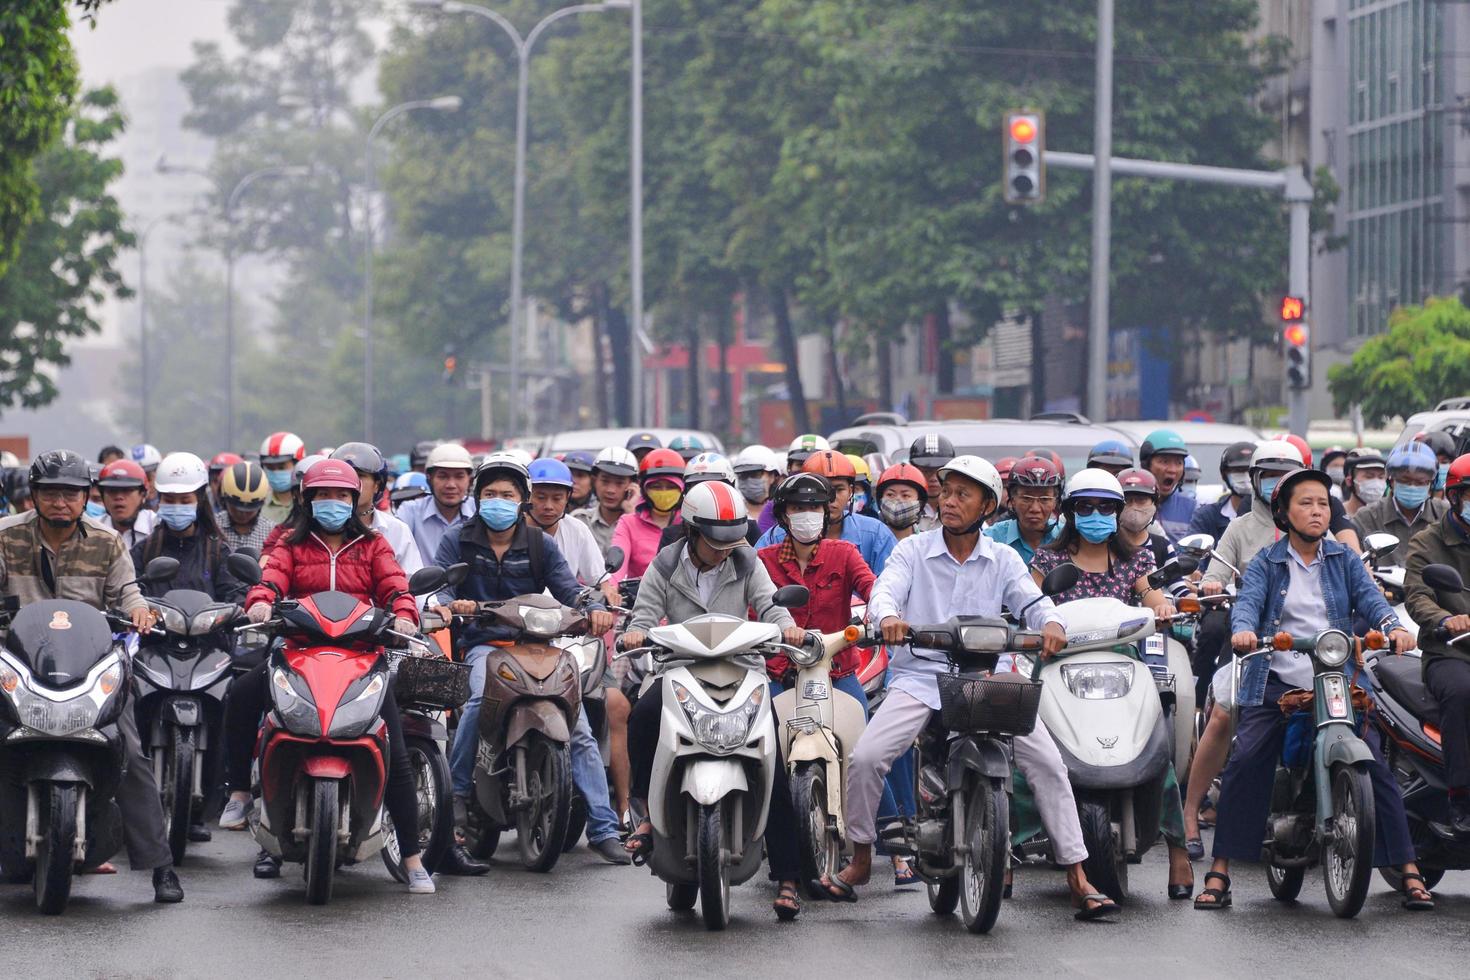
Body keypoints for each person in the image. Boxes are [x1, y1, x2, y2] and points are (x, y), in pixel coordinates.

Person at [818, 455, 1118, 918]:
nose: (950, 502)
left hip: (985, 677)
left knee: (1047, 763)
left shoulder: (1002, 559)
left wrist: (1052, 624)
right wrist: (890, 618)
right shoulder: (912, 551)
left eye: (963, 495)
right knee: (868, 756)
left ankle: (1078, 875)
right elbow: (885, 591)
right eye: (947, 492)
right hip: (920, 677)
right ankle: (860, 858)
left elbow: (1034, 601)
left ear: (987, 506)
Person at [1196, 466, 1432, 912]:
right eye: (1305, 503)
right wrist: (1245, 631)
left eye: (1323, 503)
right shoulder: (1268, 560)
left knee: (1377, 763)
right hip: (1277, 677)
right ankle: (1220, 869)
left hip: (1334, 679)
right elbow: (1246, 604)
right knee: (1247, 758)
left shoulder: (1344, 560)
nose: (1317, 511)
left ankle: (1408, 869)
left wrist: (1393, 627)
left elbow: (1373, 601)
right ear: (1283, 512)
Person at [216, 459, 436, 893]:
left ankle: (411, 859)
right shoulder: (290, 544)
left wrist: (408, 615)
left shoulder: (373, 546)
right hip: (296, 652)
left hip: (362, 659)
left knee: (393, 745)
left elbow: (397, 588)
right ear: (306, 499)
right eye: (322, 495)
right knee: (240, 696)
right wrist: (260, 600)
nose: (331, 503)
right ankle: (240, 793)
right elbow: (269, 579)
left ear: (355, 501)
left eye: (340, 496)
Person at [618, 480, 809, 920]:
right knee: (642, 718)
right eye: (715, 541)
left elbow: (772, 607)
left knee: (773, 762)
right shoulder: (665, 565)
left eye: (731, 540)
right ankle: (646, 813)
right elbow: (643, 615)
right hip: (678, 669)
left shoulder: (746, 560)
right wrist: (636, 630)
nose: (724, 550)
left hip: (742, 669)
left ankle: (787, 878)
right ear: (691, 530)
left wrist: (788, 627)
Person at [0, 450, 184, 902]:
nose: (60, 502)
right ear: (34, 496)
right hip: (18, 666)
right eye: (50, 493)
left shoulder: (107, 541)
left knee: (132, 753)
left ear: (87, 497)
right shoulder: (4, 537)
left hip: (91, 669)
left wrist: (140, 612)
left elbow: (128, 593)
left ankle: (160, 866)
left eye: (71, 493)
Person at [428, 456, 616, 872]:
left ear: (522, 501)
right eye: (490, 495)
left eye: (507, 496)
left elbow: (571, 588)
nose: (499, 501)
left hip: (538, 646)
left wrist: (595, 606)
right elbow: (438, 590)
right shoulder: (458, 540)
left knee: (580, 726)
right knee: (476, 703)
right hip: (484, 647)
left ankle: (604, 829)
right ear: (478, 499)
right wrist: (447, 606)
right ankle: (457, 795)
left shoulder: (539, 545)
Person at [1030, 470, 1191, 898]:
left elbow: (1152, 596)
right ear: (1069, 512)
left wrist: (1163, 607)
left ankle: (1178, 854)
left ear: (1118, 513)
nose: (1096, 515)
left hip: (1122, 663)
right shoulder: (1047, 561)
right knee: (1026, 744)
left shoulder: (1134, 561)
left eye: (1105, 507)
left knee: (1157, 749)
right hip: (1059, 662)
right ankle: (1005, 856)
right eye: (1085, 507)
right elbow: (1028, 603)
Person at [756, 472, 918, 885]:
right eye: (797, 508)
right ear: (782, 515)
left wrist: (887, 615)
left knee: (867, 749)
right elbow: (750, 606)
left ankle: (895, 846)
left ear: (829, 512)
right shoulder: (764, 560)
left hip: (838, 671)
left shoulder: (845, 554)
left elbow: (874, 586)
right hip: (780, 672)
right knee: (762, 750)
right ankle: (762, 840)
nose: (807, 515)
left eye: (815, 507)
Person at [1404, 453, 1470, 835]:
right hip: (1451, 650)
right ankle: (1461, 797)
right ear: (1454, 496)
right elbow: (1417, 594)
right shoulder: (1427, 542)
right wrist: (1445, 619)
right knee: (1462, 692)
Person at [755, 450, 897, 575]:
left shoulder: (877, 534)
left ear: (850, 492)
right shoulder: (774, 538)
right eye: (821, 491)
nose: (830, 499)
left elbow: (890, 588)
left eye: (838, 489)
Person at [132, 452, 246, 604]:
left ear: (199, 500)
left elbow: (234, 596)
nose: (177, 507)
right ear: (159, 500)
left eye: (185, 501)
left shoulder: (217, 552)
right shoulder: (143, 551)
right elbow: (131, 595)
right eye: (169, 500)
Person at [332, 443, 424, 581]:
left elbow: (412, 583)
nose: (351, 482)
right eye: (344, 475)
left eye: (360, 476)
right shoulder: (315, 529)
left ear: (377, 485)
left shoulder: (396, 530)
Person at [1350, 442, 1447, 564]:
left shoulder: (1445, 514)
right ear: (1391, 480)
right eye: (1404, 480)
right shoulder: (1366, 517)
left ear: (1431, 484)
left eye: (1420, 482)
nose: (1412, 486)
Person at [609, 448, 685, 584]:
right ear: (643, 488)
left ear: (682, 488)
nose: (663, 492)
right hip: (638, 601)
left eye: (671, 487)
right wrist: (612, 589)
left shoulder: (689, 524)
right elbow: (618, 566)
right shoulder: (628, 522)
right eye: (656, 486)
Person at [655, 453, 760, 549]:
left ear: (730, 488)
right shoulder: (672, 535)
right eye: (698, 487)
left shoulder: (748, 530)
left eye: (714, 486)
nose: (707, 494)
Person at [396, 443, 475, 565]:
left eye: (459, 477)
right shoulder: (410, 511)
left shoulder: (478, 511)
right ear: (429, 479)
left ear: (470, 481)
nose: (451, 485)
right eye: (442, 476)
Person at [985, 456, 1064, 565]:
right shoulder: (991, 539)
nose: (1035, 509)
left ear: (1056, 502)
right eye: (1026, 498)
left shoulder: (1066, 538)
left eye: (1044, 499)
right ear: (1012, 500)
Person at [1186, 440, 1256, 549]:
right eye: (1238, 470)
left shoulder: (1274, 517)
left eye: (1251, 472)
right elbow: (1191, 554)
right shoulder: (1207, 517)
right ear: (1224, 475)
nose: (1246, 477)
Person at [573, 446, 638, 555]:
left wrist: (631, 513)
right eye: (605, 481)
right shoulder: (579, 521)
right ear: (594, 481)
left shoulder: (641, 526)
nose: (611, 490)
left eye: (619, 483)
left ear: (633, 486)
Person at [1138, 429, 1196, 543]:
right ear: (1146, 465)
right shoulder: (1129, 506)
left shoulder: (1192, 509)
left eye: (1179, 463)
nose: (1172, 470)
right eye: (1164, 461)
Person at [1116, 467, 1175, 568]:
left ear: (1154, 504)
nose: (1134, 507)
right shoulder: (1105, 546)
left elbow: (1175, 582)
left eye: (1141, 500)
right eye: (1127, 500)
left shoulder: (1162, 546)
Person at [215, 460, 276, 555]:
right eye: (235, 508)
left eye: (250, 510)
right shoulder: (213, 526)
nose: (242, 514)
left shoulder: (271, 532)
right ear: (224, 499)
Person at [97, 458, 159, 549]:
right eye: (111, 490)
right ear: (102, 496)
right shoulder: (89, 530)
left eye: (127, 490)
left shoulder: (158, 527)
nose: (119, 497)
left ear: (143, 494)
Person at [906, 434, 955, 532]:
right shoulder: (904, 509)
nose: (933, 478)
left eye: (939, 471)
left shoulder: (961, 510)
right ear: (914, 470)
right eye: (926, 471)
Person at [257, 431, 306, 525]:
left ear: (298, 464)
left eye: (281, 467)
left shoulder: (308, 503)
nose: (275, 472)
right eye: (270, 467)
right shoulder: (258, 504)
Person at [874, 463, 928, 541]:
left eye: (905, 495)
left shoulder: (927, 543)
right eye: (890, 494)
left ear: (920, 502)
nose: (897, 500)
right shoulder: (870, 541)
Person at [732, 444, 782, 525]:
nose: (748, 480)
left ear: (772, 476)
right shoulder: (733, 514)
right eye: (743, 475)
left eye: (755, 474)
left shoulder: (783, 514)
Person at [1342, 448, 1388, 517]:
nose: (1376, 483)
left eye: (1381, 477)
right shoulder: (1336, 515)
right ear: (1349, 481)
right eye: (1369, 477)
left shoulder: (1388, 516)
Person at [1414, 429, 1457, 496]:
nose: (1439, 467)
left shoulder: (1457, 498)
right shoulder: (1413, 499)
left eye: (1444, 462)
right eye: (1434, 462)